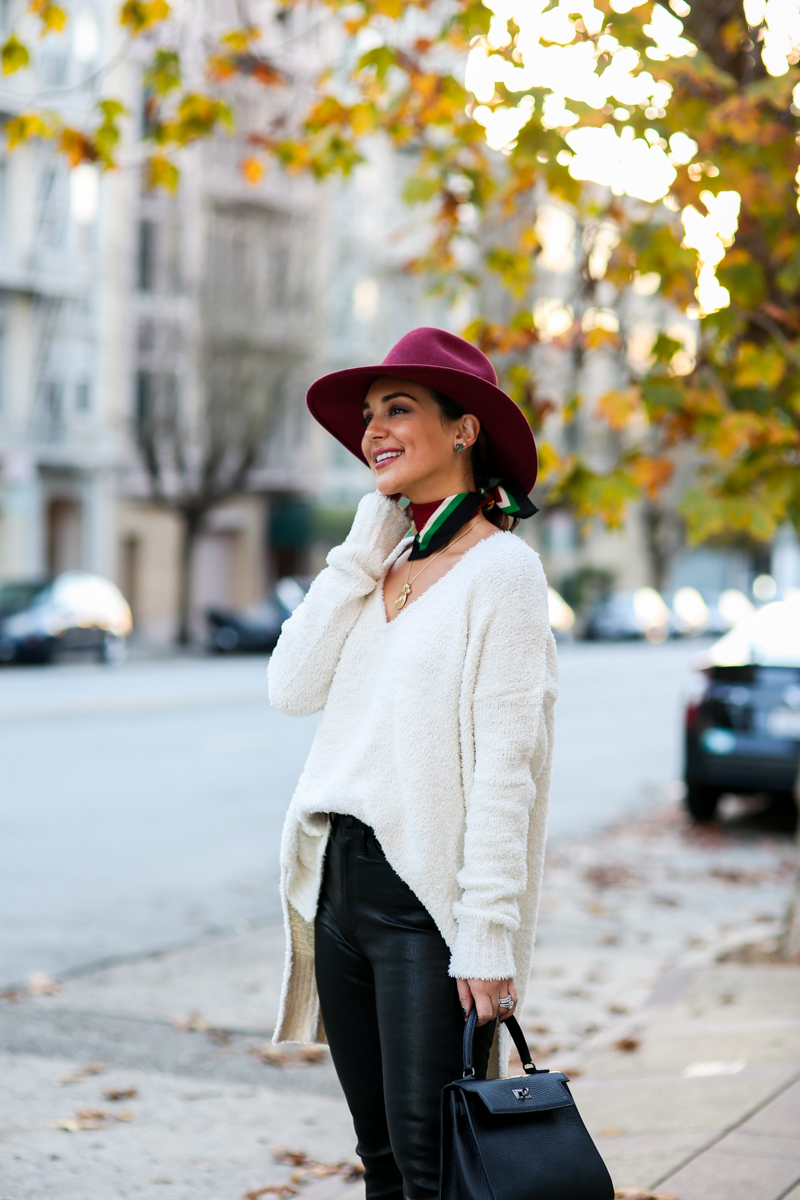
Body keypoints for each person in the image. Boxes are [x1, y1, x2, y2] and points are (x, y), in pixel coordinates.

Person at [268, 327, 558, 1200]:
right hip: (338, 891)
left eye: (399, 410)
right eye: (367, 417)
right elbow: (290, 684)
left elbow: (512, 768)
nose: (373, 432)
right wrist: (363, 546)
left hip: (423, 905)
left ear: (465, 429)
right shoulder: (378, 567)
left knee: (438, 1168)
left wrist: (488, 933)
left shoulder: (503, 573)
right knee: (384, 1161)